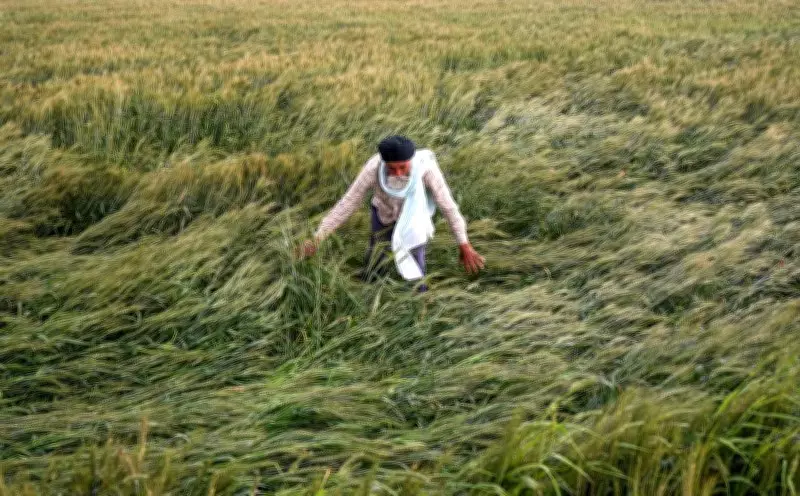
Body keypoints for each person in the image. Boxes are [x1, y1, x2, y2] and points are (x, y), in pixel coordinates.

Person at [300, 135, 485, 291]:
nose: (397, 173)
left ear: (410, 161)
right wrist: (318, 238)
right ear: (384, 163)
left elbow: (448, 206)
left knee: (415, 259)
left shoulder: (425, 169)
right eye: (392, 168)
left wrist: (464, 243)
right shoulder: (373, 169)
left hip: (414, 218)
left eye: (403, 167)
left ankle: (419, 300)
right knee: (376, 254)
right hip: (384, 214)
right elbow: (348, 202)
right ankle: (369, 288)